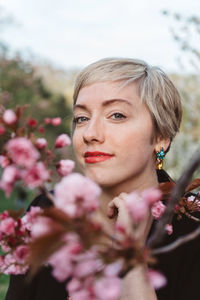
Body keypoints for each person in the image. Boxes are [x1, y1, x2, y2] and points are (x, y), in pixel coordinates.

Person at [5, 58, 200, 300]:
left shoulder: (193, 226)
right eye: (81, 118)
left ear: (161, 136)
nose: (90, 134)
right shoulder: (47, 212)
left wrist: (133, 260)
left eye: (116, 115)